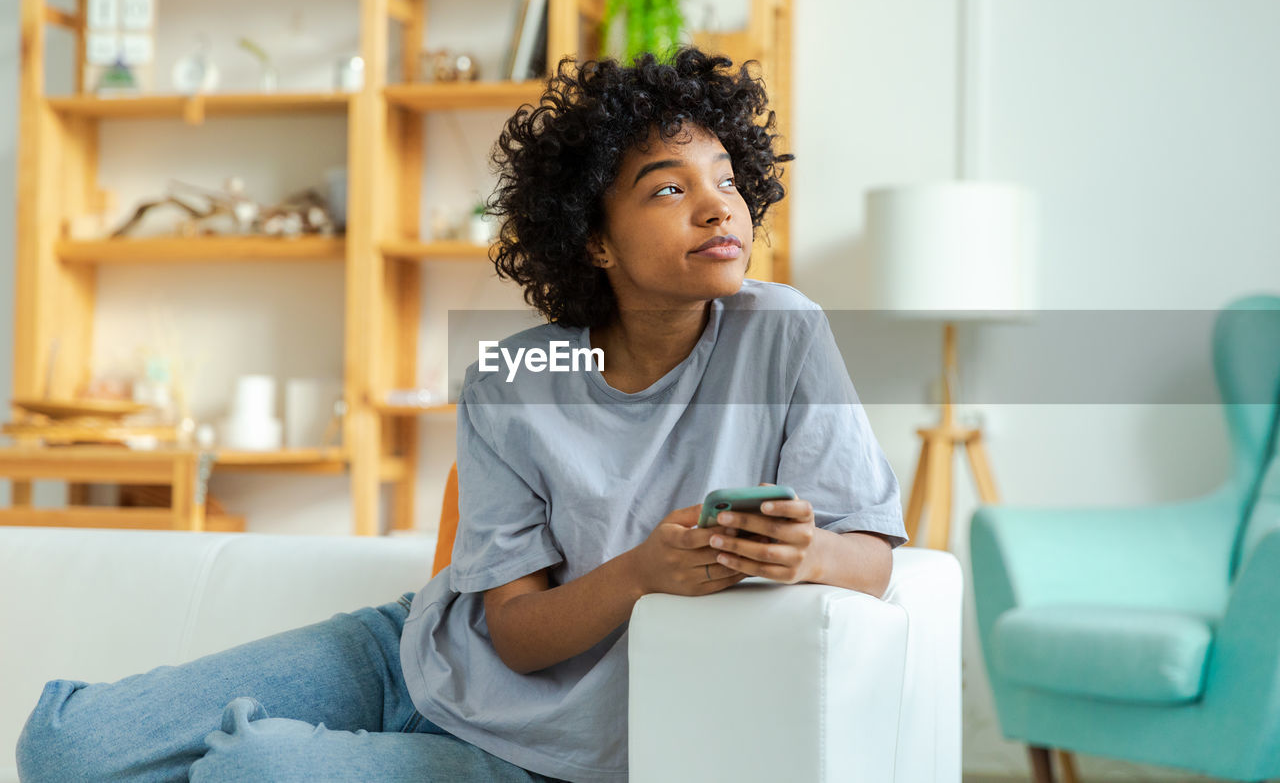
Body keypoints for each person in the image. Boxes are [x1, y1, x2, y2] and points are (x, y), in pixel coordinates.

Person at [15, 46, 906, 783]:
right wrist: (642, 569)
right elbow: (512, 631)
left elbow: (869, 559)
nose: (718, 204)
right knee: (60, 747)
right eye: (667, 189)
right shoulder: (511, 380)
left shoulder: (784, 334)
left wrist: (805, 554)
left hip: (542, 754)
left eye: (726, 178)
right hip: (407, 651)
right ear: (594, 239)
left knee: (256, 770)